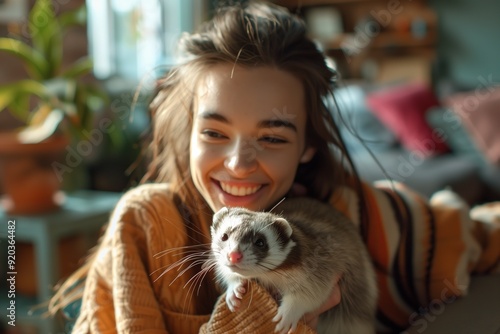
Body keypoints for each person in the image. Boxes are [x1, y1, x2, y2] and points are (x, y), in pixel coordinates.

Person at [49, 1, 500, 333]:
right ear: (186, 133)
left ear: (306, 146)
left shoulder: (357, 209)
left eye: (272, 137)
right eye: (214, 133)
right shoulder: (143, 224)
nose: (239, 164)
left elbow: (471, 231)